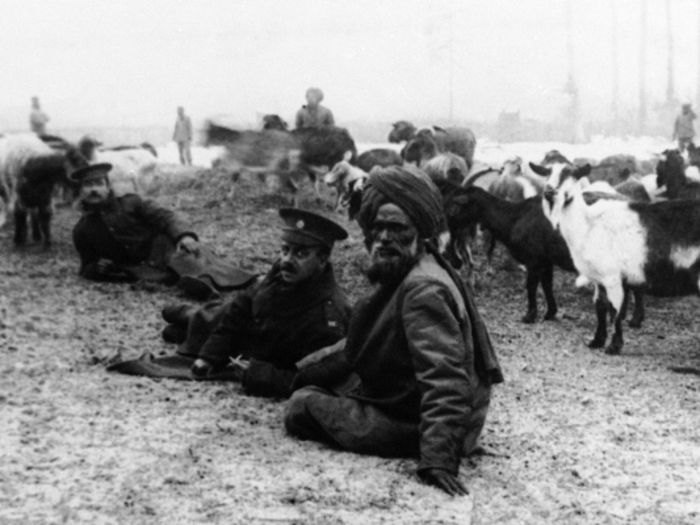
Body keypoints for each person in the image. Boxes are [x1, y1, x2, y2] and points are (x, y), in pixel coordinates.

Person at [283, 166, 504, 496]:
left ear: (420, 231)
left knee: (301, 406)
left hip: (416, 424)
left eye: (396, 228)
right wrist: (301, 370)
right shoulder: (419, 264)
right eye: (378, 228)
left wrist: (439, 458)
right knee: (317, 377)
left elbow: (444, 378)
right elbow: (362, 342)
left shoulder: (422, 289)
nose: (384, 238)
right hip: (410, 398)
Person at [174, 208, 352, 397]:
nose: (287, 260)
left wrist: (260, 375)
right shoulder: (279, 275)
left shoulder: (328, 316)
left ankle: (188, 314)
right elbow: (237, 312)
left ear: (322, 260)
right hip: (242, 330)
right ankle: (185, 313)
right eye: (285, 250)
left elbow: (314, 378)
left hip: (254, 342)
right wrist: (209, 357)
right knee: (206, 317)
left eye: (301, 254)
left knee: (200, 321)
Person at [70, 163, 256, 295]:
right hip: (139, 267)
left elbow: (165, 216)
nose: (93, 190)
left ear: (108, 187)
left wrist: (183, 236)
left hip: (162, 248)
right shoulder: (82, 230)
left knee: (192, 256)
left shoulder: (132, 202)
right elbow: (86, 266)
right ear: (80, 192)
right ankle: (201, 284)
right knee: (173, 274)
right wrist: (96, 267)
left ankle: (247, 280)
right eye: (88, 185)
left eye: (98, 184)